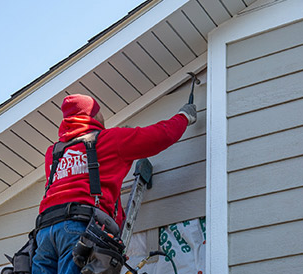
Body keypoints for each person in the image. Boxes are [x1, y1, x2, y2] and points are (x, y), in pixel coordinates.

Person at [32, 94, 197, 274]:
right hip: (77, 229)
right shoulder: (110, 140)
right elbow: (160, 135)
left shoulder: (53, 153)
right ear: (92, 115)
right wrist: (184, 117)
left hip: (43, 234)